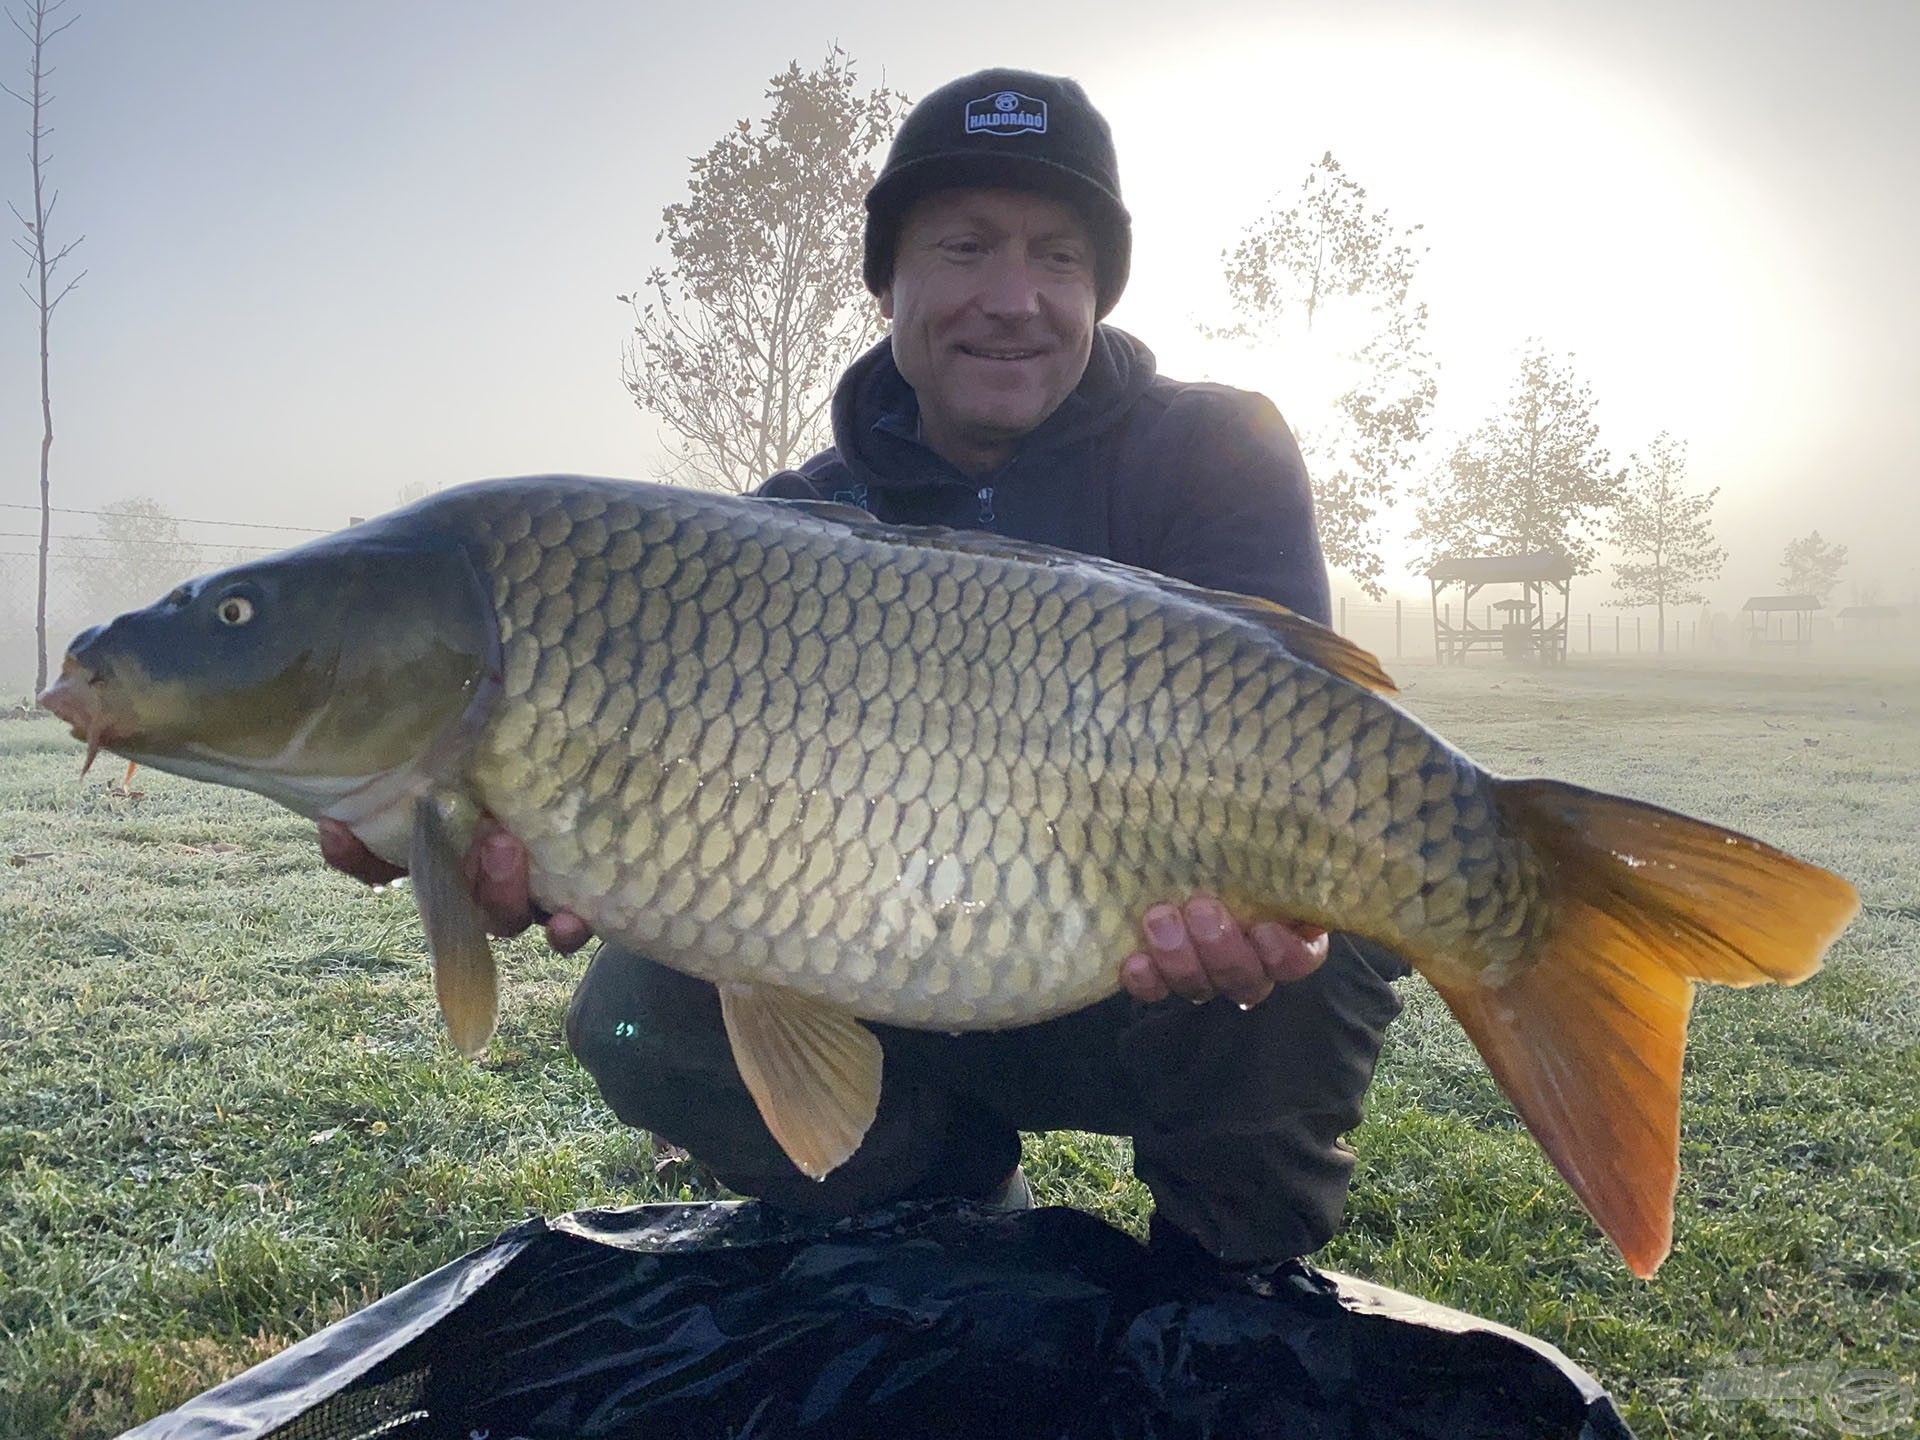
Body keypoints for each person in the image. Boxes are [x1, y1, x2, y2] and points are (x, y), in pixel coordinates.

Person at [321, 67, 1407, 1269]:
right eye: (964, 247)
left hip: (1149, 965)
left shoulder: (1215, 451)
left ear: (1099, 288)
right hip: (891, 961)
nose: (1014, 299)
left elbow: (1324, 743)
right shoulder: (783, 529)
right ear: (888, 277)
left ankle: (1226, 1285)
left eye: (1058, 257)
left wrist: (1284, 922)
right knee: (642, 1011)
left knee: (1339, 913)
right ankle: (939, 1210)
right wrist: (566, 843)